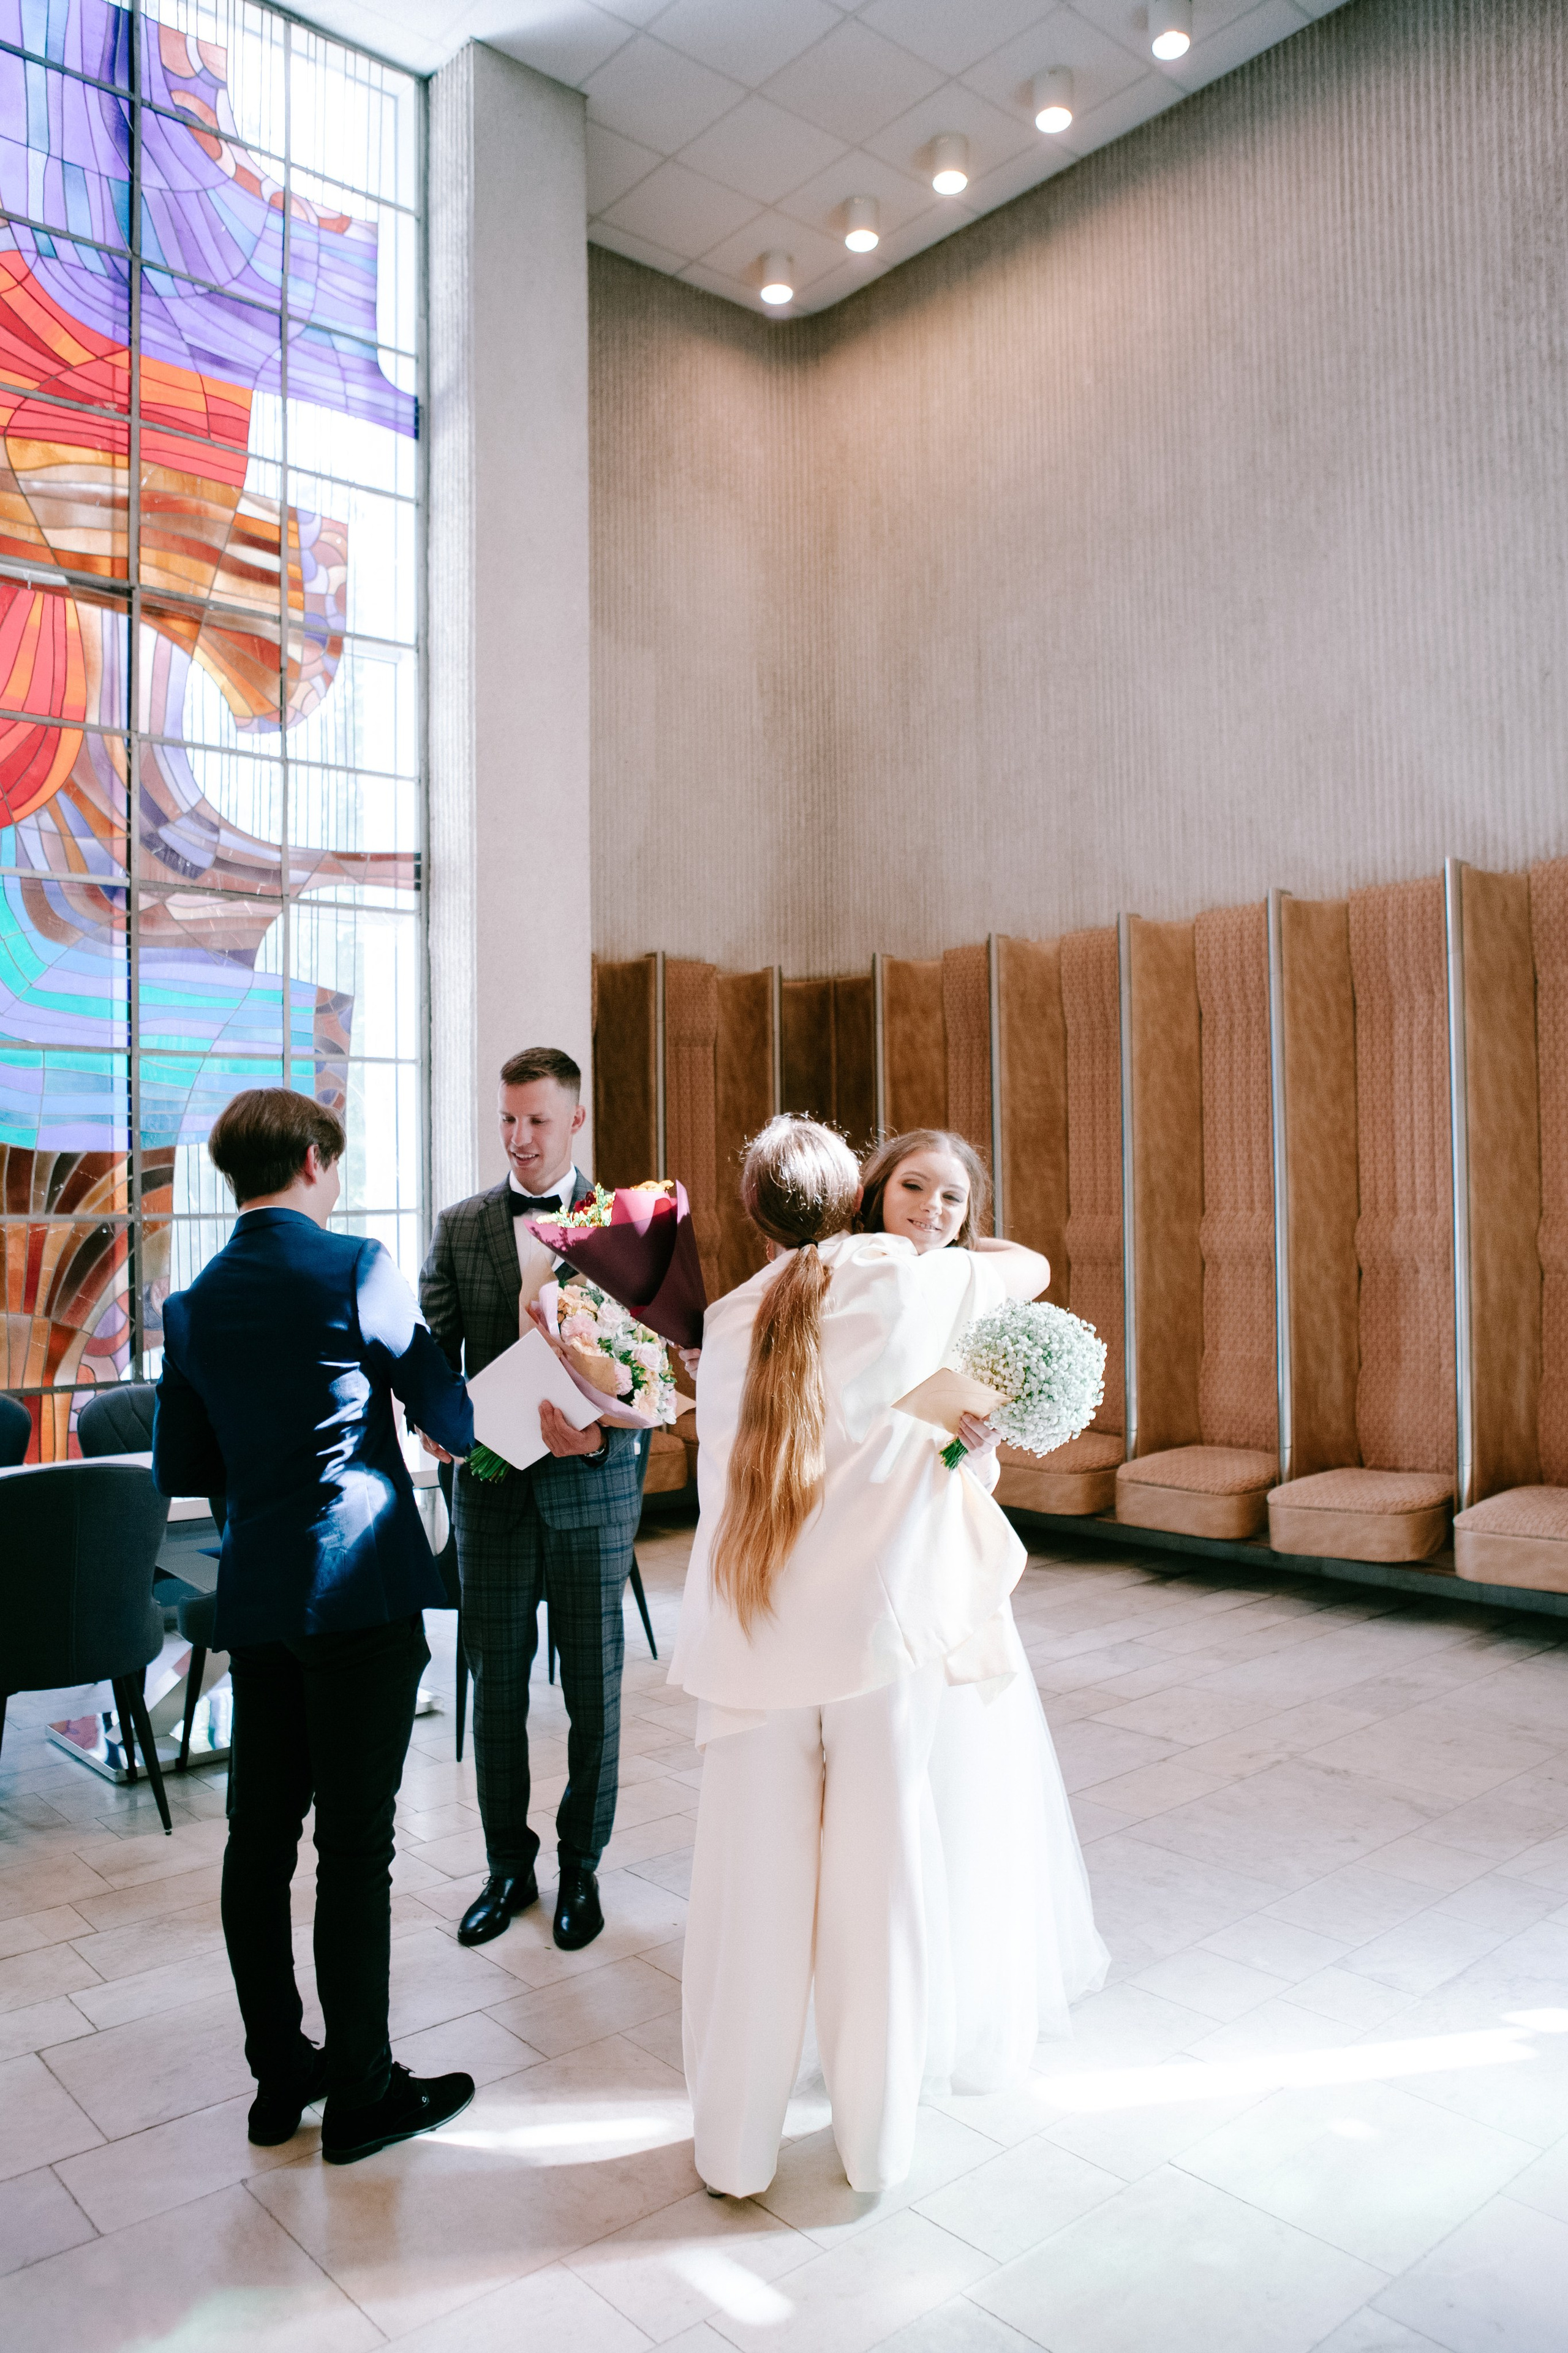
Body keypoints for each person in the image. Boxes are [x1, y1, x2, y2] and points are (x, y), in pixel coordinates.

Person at [669, 1116, 1052, 2200]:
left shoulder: (732, 1316)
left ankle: (733, 2150)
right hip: (873, 1644)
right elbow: (1028, 1269)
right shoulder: (905, 1277)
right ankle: (873, 2147)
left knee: (750, 1896)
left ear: (755, 1207)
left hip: (750, 1639)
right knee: (878, 1887)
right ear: (855, 1197)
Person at [152, 1088, 477, 2166]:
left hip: (259, 1599)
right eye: (330, 1164)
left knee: (259, 1840)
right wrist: (436, 1425)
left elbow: (185, 1469)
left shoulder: (191, 1304)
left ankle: (279, 2076)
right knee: (355, 1847)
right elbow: (450, 1413)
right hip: (362, 1592)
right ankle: (364, 2092)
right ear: (308, 1157)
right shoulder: (355, 1268)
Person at [858, 1128, 1109, 2091]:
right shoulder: (849, 1284)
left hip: (945, 1545)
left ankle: (960, 1974)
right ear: (876, 1192)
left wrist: (983, 1434)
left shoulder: (972, 1289)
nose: (930, 1208)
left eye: (953, 1197)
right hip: (864, 1547)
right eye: (913, 1186)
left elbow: (1025, 1269)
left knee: (962, 1768)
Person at [419, 1046, 648, 1953]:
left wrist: (604, 1433)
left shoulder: (631, 1227)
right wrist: (434, 1419)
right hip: (491, 1492)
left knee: (596, 1694)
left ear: (576, 1121)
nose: (519, 1138)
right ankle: (505, 1866)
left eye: (538, 1121)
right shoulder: (462, 1225)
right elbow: (435, 1359)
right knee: (495, 1688)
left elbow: (660, 1378)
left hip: (593, 1491)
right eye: (507, 1120)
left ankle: (580, 1866)